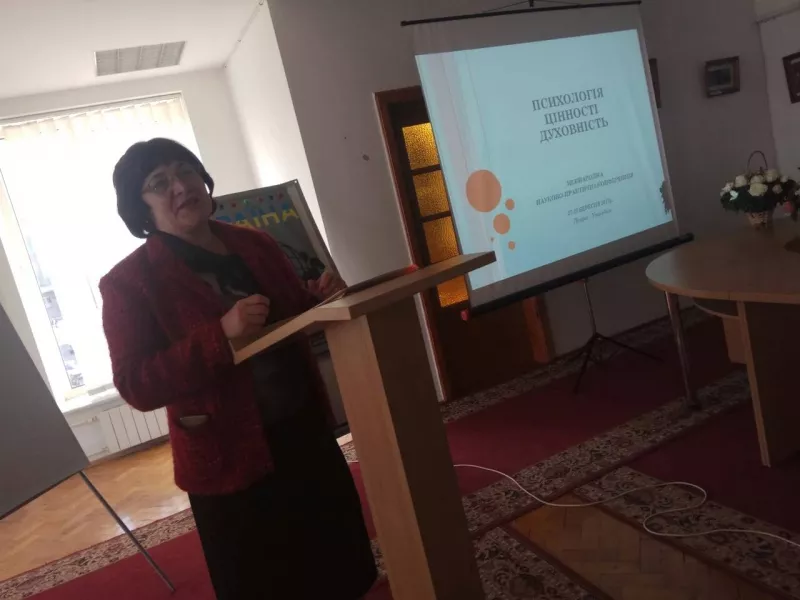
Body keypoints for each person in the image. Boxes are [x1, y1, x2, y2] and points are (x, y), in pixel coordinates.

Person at [100, 138, 377, 599]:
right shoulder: (128, 283)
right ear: (139, 207)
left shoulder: (255, 244)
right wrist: (220, 335)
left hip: (302, 430)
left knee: (336, 563)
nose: (180, 186)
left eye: (185, 170)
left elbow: (291, 312)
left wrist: (322, 299)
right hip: (227, 455)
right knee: (264, 580)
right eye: (159, 183)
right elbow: (136, 384)